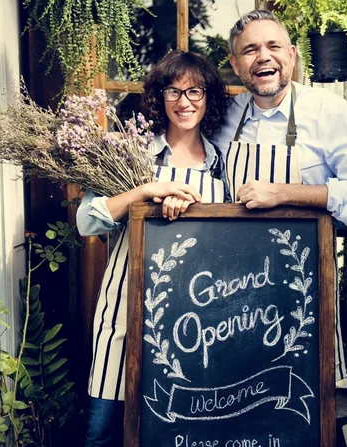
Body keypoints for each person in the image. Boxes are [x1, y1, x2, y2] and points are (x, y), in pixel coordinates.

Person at [210, 10, 347, 382]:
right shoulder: (226, 116)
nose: (264, 56)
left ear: (291, 55)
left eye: (273, 46)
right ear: (236, 65)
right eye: (250, 50)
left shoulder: (326, 110)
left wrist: (283, 193)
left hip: (302, 288)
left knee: (308, 405)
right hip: (230, 291)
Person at [76, 51, 231, 447]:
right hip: (126, 310)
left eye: (194, 90)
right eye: (173, 91)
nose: (185, 101)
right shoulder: (133, 156)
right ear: (159, 98)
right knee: (101, 431)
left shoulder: (222, 166)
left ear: (208, 96)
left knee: (175, 430)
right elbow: (86, 221)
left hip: (194, 320)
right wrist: (146, 192)